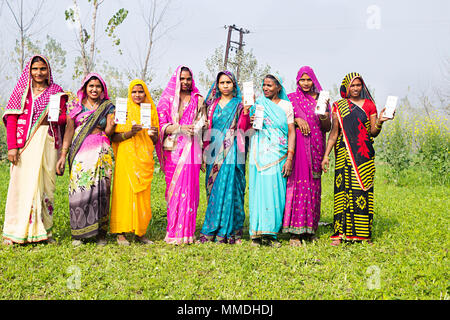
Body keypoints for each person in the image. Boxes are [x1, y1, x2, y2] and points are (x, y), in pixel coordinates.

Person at [2, 55, 67, 245]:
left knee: (46, 185)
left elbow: (63, 119)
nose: (39, 73)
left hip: (47, 142)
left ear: (49, 71)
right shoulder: (22, 91)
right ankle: (14, 232)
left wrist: (54, 117)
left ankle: (44, 232)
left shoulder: (56, 92)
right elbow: (12, 119)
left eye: (43, 69)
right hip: (25, 145)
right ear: (29, 71)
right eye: (35, 69)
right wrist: (12, 147)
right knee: (21, 186)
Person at [321, 72, 392, 245]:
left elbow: (373, 132)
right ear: (346, 87)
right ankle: (339, 233)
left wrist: (381, 122)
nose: (355, 88)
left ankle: (363, 234)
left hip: (363, 156)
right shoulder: (339, 106)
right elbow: (334, 133)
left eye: (358, 85)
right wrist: (326, 156)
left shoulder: (369, 105)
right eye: (352, 85)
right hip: (344, 155)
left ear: (362, 86)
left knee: (363, 191)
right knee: (342, 191)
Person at [56, 73, 115, 246]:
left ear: (102, 89)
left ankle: (100, 234)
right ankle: (79, 233)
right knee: (79, 189)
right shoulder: (75, 106)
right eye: (91, 86)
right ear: (85, 88)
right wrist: (63, 154)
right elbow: (69, 131)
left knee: (102, 190)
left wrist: (110, 126)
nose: (94, 89)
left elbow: (110, 132)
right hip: (80, 153)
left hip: (102, 152)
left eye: (98, 86)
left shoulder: (108, 107)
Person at [239, 75, 296, 247]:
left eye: (270, 85)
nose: (266, 88)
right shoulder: (258, 104)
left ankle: (270, 235)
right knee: (258, 193)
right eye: (263, 85)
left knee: (275, 194)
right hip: (258, 154)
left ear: (278, 87)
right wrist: (247, 112)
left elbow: (292, 132)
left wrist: (290, 157)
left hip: (279, 155)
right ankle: (256, 234)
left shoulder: (286, 106)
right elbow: (246, 129)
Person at [155, 65, 205, 245]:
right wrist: (180, 128)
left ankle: (187, 233)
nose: (185, 82)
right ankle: (173, 231)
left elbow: (204, 122)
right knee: (174, 189)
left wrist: (198, 127)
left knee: (190, 190)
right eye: (182, 79)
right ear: (176, 79)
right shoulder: (166, 100)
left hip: (192, 148)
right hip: (174, 150)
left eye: (188, 79)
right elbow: (161, 126)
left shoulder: (198, 99)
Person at [282, 66, 331, 246]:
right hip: (298, 148)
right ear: (297, 81)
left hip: (317, 146)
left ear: (313, 80)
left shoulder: (323, 99)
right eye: (302, 80)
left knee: (313, 187)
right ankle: (295, 232)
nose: (305, 83)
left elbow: (327, 128)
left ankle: (310, 230)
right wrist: (297, 119)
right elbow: (283, 118)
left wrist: (324, 116)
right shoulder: (291, 98)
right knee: (297, 186)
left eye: (308, 79)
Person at [198, 71, 247, 244]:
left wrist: (247, 113)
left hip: (233, 150)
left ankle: (230, 231)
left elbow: (243, 129)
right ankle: (211, 228)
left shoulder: (241, 105)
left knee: (231, 188)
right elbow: (205, 129)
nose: (225, 85)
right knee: (215, 189)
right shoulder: (210, 105)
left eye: (228, 82)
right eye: (222, 83)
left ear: (234, 84)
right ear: (217, 85)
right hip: (213, 150)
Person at [109, 79, 159, 245]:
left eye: (141, 92)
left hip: (143, 157)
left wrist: (153, 135)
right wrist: (131, 132)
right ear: (129, 93)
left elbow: (156, 138)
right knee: (123, 193)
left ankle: (140, 232)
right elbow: (114, 137)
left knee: (142, 195)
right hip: (126, 156)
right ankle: (121, 233)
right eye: (134, 92)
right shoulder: (123, 109)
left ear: (145, 93)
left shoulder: (151, 110)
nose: (137, 95)